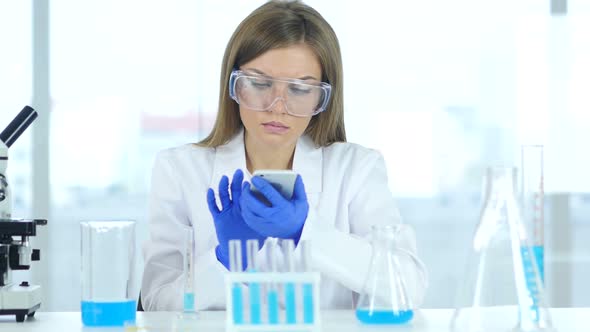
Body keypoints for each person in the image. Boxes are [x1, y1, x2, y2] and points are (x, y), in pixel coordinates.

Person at [141, 0, 427, 311]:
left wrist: (307, 232)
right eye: (260, 83)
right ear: (233, 85)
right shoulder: (179, 170)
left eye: (301, 90)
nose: (277, 106)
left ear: (323, 97)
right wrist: (226, 260)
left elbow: (407, 286)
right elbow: (157, 306)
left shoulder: (355, 169)